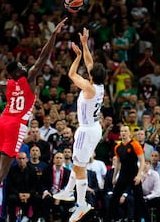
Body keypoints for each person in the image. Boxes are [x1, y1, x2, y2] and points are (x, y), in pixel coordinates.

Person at [0, 17, 67, 220]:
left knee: (0, 167)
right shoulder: (29, 78)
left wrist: (1, 83)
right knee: (4, 169)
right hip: (16, 124)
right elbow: (43, 56)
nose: (24, 67)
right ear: (17, 73)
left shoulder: (8, 84)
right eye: (20, 67)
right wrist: (53, 35)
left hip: (3, 121)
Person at [53, 28, 106, 222]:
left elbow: (71, 73)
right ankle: (68, 191)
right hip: (94, 128)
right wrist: (85, 44)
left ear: (91, 76)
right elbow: (90, 62)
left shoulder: (89, 88)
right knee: (77, 164)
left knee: (79, 167)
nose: (88, 69)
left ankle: (81, 204)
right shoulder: (99, 85)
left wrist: (76, 56)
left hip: (86, 130)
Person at [106, 125, 145, 221]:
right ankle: (110, 218)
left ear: (129, 133)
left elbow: (142, 161)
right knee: (115, 197)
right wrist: (114, 177)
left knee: (139, 198)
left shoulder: (135, 144)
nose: (123, 133)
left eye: (125, 131)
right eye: (122, 131)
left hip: (134, 173)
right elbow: (117, 163)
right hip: (123, 174)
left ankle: (141, 219)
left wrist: (139, 176)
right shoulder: (117, 147)